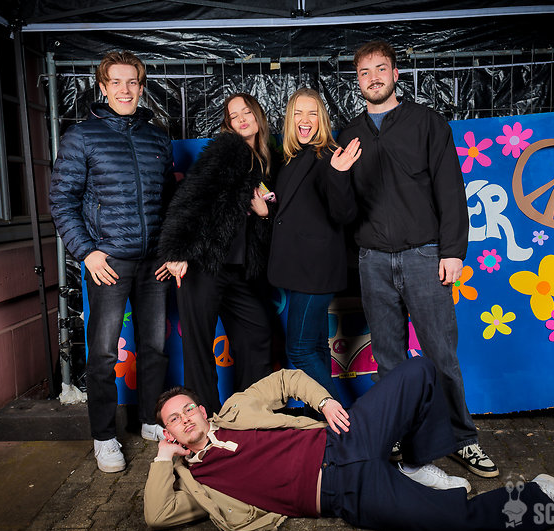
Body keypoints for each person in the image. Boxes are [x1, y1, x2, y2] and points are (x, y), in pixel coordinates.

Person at [143, 356, 554, 531]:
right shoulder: (198, 484)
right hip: (346, 494)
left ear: (202, 409)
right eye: (174, 421)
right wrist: (164, 459)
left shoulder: (236, 410)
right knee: (455, 523)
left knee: (419, 372)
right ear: (170, 434)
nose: (185, 419)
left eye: (188, 409)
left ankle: (416, 464)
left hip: (344, 437)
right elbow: (156, 516)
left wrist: (325, 402)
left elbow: (285, 379)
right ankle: (545, 497)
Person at [337, 40, 498, 477]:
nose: (373, 78)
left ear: (395, 74)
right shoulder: (349, 135)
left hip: (425, 256)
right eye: (364, 72)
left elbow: (451, 190)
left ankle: (462, 439)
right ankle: (399, 437)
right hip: (373, 261)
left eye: (380, 69)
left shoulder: (427, 122)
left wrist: (453, 252)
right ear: (357, 81)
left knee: (441, 355)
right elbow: (344, 205)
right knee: (388, 359)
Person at [50, 51, 174, 473]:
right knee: (103, 354)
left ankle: (150, 420)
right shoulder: (81, 137)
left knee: (155, 347)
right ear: (102, 87)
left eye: (132, 82)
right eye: (115, 82)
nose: (125, 90)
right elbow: (61, 200)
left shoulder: (157, 137)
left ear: (141, 86)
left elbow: (169, 202)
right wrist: (87, 251)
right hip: (109, 263)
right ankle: (104, 437)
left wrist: (170, 247)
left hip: (154, 263)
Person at [158, 93, 276, 418]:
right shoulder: (227, 149)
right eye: (233, 115)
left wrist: (264, 214)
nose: (241, 119)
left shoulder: (264, 161)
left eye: (246, 112)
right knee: (198, 349)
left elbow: (261, 222)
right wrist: (178, 251)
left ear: (258, 115)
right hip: (202, 266)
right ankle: (206, 424)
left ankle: (248, 415)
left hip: (237, 269)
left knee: (257, 334)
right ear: (229, 124)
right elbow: (191, 196)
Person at [267, 88, 361, 403]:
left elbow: (344, 213)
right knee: (317, 347)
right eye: (298, 113)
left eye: (312, 113)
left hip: (315, 271)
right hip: (300, 268)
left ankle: (345, 421)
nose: (304, 120)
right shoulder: (292, 157)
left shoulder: (329, 155)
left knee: (299, 349)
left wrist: (340, 174)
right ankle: (323, 421)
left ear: (321, 119)